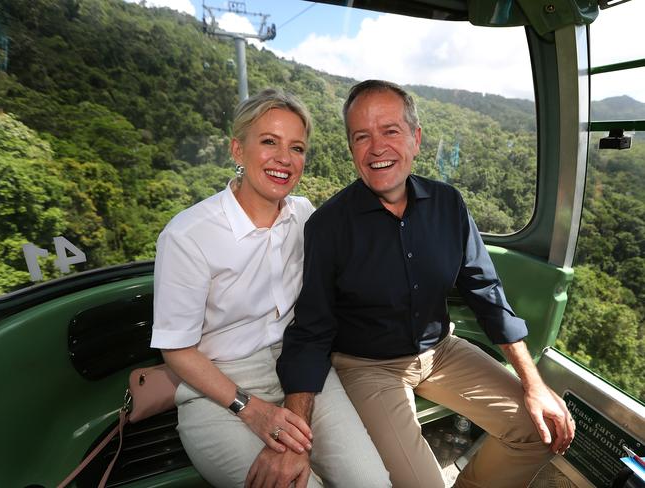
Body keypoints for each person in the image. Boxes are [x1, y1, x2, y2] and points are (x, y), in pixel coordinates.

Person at [277, 80, 576, 488]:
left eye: (391, 131)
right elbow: (310, 330)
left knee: (540, 428)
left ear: (416, 138)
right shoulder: (329, 227)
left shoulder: (448, 205)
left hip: (442, 350)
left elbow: (487, 295)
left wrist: (534, 384)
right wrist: (295, 436)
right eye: (361, 136)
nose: (377, 147)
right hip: (369, 367)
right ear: (351, 150)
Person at [150, 88, 390, 488]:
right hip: (218, 386)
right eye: (269, 142)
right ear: (237, 150)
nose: (284, 159)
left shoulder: (303, 215)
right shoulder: (188, 236)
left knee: (372, 483)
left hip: (300, 367)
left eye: (296, 147)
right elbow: (176, 349)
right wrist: (251, 408)